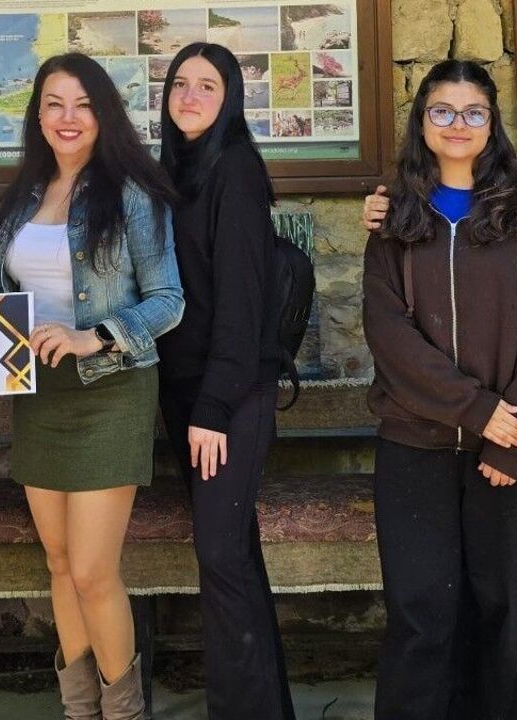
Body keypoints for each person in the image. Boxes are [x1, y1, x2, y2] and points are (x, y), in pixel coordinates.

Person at [360, 59, 517, 720]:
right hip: (415, 446)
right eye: (443, 111)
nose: (458, 124)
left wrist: (510, 439)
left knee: (509, 614)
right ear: (422, 122)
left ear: (492, 123)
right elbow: (387, 332)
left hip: (512, 452)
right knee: (420, 612)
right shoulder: (394, 216)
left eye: (473, 112)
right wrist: (477, 410)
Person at [0, 52, 182, 720]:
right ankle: (80, 711)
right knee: (60, 563)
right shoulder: (21, 196)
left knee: (95, 570)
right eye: (54, 104)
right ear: (37, 115)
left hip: (110, 391)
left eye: (83, 104)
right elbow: (0, 300)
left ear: (104, 115)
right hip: (38, 396)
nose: (67, 118)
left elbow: (168, 302)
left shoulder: (132, 194)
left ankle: (124, 712)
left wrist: (92, 336)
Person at [155, 42, 295, 720]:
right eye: (180, 83)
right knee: (233, 554)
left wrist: (212, 408)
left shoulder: (234, 168)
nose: (190, 97)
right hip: (189, 390)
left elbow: (242, 302)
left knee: (220, 555)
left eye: (207, 86)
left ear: (230, 98)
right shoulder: (173, 171)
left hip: (230, 394)